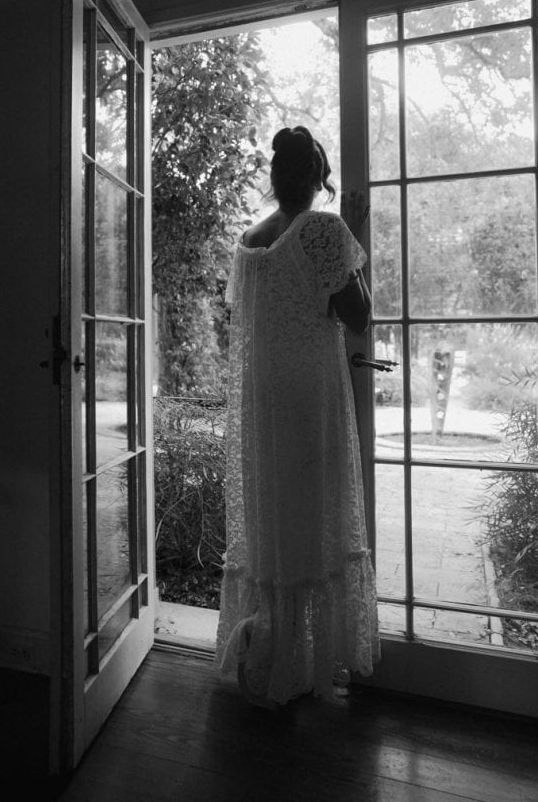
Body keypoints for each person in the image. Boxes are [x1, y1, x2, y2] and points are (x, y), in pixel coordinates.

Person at [214, 126, 380, 707]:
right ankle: (296, 660)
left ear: (276, 176)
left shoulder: (247, 240)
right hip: (310, 396)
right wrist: (359, 237)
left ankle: (271, 653)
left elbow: (245, 323)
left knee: (274, 515)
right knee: (314, 514)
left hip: (262, 399)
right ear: (317, 177)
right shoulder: (324, 231)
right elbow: (358, 318)